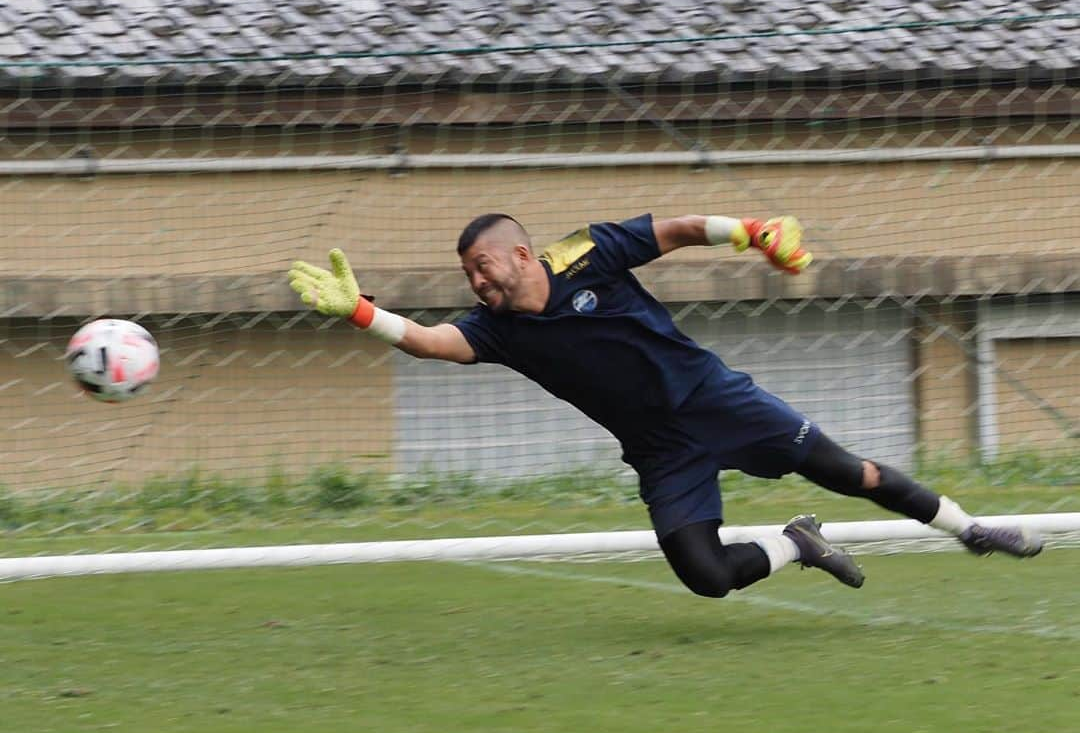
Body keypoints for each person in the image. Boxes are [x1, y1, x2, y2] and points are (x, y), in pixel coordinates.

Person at [288, 212, 1043, 598]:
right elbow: (426, 342)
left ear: (522, 254)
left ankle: (969, 527)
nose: (477, 284)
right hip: (659, 448)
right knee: (706, 576)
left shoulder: (587, 252)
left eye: (483, 267)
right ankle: (796, 544)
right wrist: (360, 311)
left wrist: (749, 232)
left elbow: (675, 230)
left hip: (716, 402)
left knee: (854, 473)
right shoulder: (496, 329)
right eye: (468, 275)